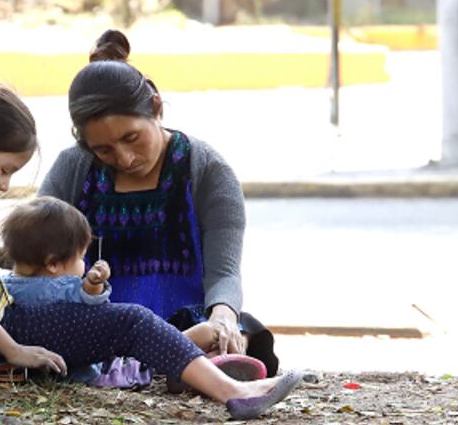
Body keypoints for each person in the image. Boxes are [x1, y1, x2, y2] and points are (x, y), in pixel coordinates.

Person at [0, 80, 299, 420]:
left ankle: (190, 366)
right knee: (131, 321)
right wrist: (12, 349)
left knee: (124, 322)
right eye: (4, 170)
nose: (4, 186)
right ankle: (232, 391)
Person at [39, 29, 279, 377]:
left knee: (238, 330)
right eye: (103, 150)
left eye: (132, 138)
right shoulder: (73, 168)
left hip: (185, 321)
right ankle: (181, 365)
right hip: (101, 327)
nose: (124, 158)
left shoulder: (206, 169)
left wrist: (224, 315)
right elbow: (35, 254)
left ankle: (192, 359)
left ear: (156, 107)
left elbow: (224, 272)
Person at [0, 196, 229, 388]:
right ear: (52, 264)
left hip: (74, 362)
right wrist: (94, 283)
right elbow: (93, 308)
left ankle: (200, 358)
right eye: (81, 258)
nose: (83, 264)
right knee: (158, 354)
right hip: (100, 370)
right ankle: (196, 355)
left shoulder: (3, 285)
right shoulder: (61, 287)